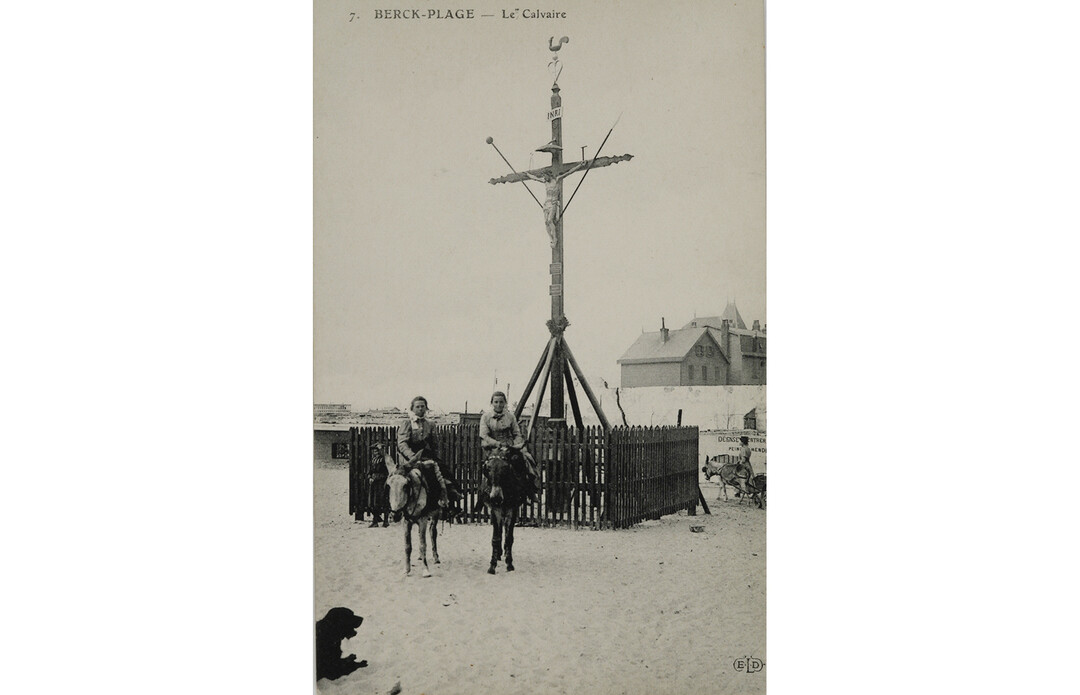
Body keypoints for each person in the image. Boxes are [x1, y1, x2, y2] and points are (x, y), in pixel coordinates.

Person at [479, 391, 541, 501]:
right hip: (492, 447)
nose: (498, 405)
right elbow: (484, 435)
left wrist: (515, 445)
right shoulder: (486, 417)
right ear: (492, 403)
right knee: (489, 466)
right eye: (496, 402)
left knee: (525, 459)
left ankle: (529, 489)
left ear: (505, 403)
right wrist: (497, 444)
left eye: (501, 402)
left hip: (509, 446)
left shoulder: (510, 416)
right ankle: (483, 494)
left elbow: (516, 433)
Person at [396, 396, 455, 508]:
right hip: (409, 456)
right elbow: (402, 444)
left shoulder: (430, 424)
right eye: (417, 406)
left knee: (443, 471)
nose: (420, 409)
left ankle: (446, 499)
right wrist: (412, 456)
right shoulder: (407, 423)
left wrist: (434, 456)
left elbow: (435, 443)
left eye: (423, 406)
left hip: (426, 455)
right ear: (412, 409)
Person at [524, 160, 586, 247]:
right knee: (546, 222)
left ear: (549, 175)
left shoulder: (556, 180)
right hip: (546, 204)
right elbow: (535, 178)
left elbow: (569, 172)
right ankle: (551, 238)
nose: (544, 178)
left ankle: (555, 238)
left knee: (550, 220)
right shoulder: (545, 181)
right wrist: (528, 175)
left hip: (553, 203)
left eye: (545, 176)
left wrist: (579, 166)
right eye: (543, 177)